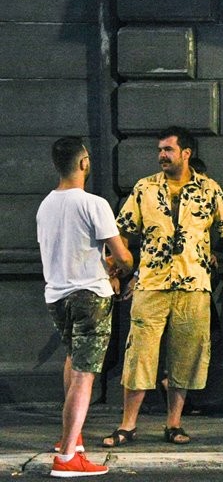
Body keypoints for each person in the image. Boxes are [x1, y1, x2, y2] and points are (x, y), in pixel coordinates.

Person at [104, 126, 223, 447]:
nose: (162, 155)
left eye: (168, 149)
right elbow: (123, 232)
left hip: (193, 285)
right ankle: (127, 425)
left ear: (186, 153)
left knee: (185, 357)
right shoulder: (145, 188)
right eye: (160, 150)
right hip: (151, 284)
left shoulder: (209, 189)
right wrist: (115, 269)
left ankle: (174, 423)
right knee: (139, 355)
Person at [38, 137, 134, 477]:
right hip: (90, 296)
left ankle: (72, 439)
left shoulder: (45, 206)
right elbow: (122, 256)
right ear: (84, 163)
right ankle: (67, 458)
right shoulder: (94, 204)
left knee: (73, 360)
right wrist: (121, 266)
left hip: (57, 296)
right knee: (84, 374)